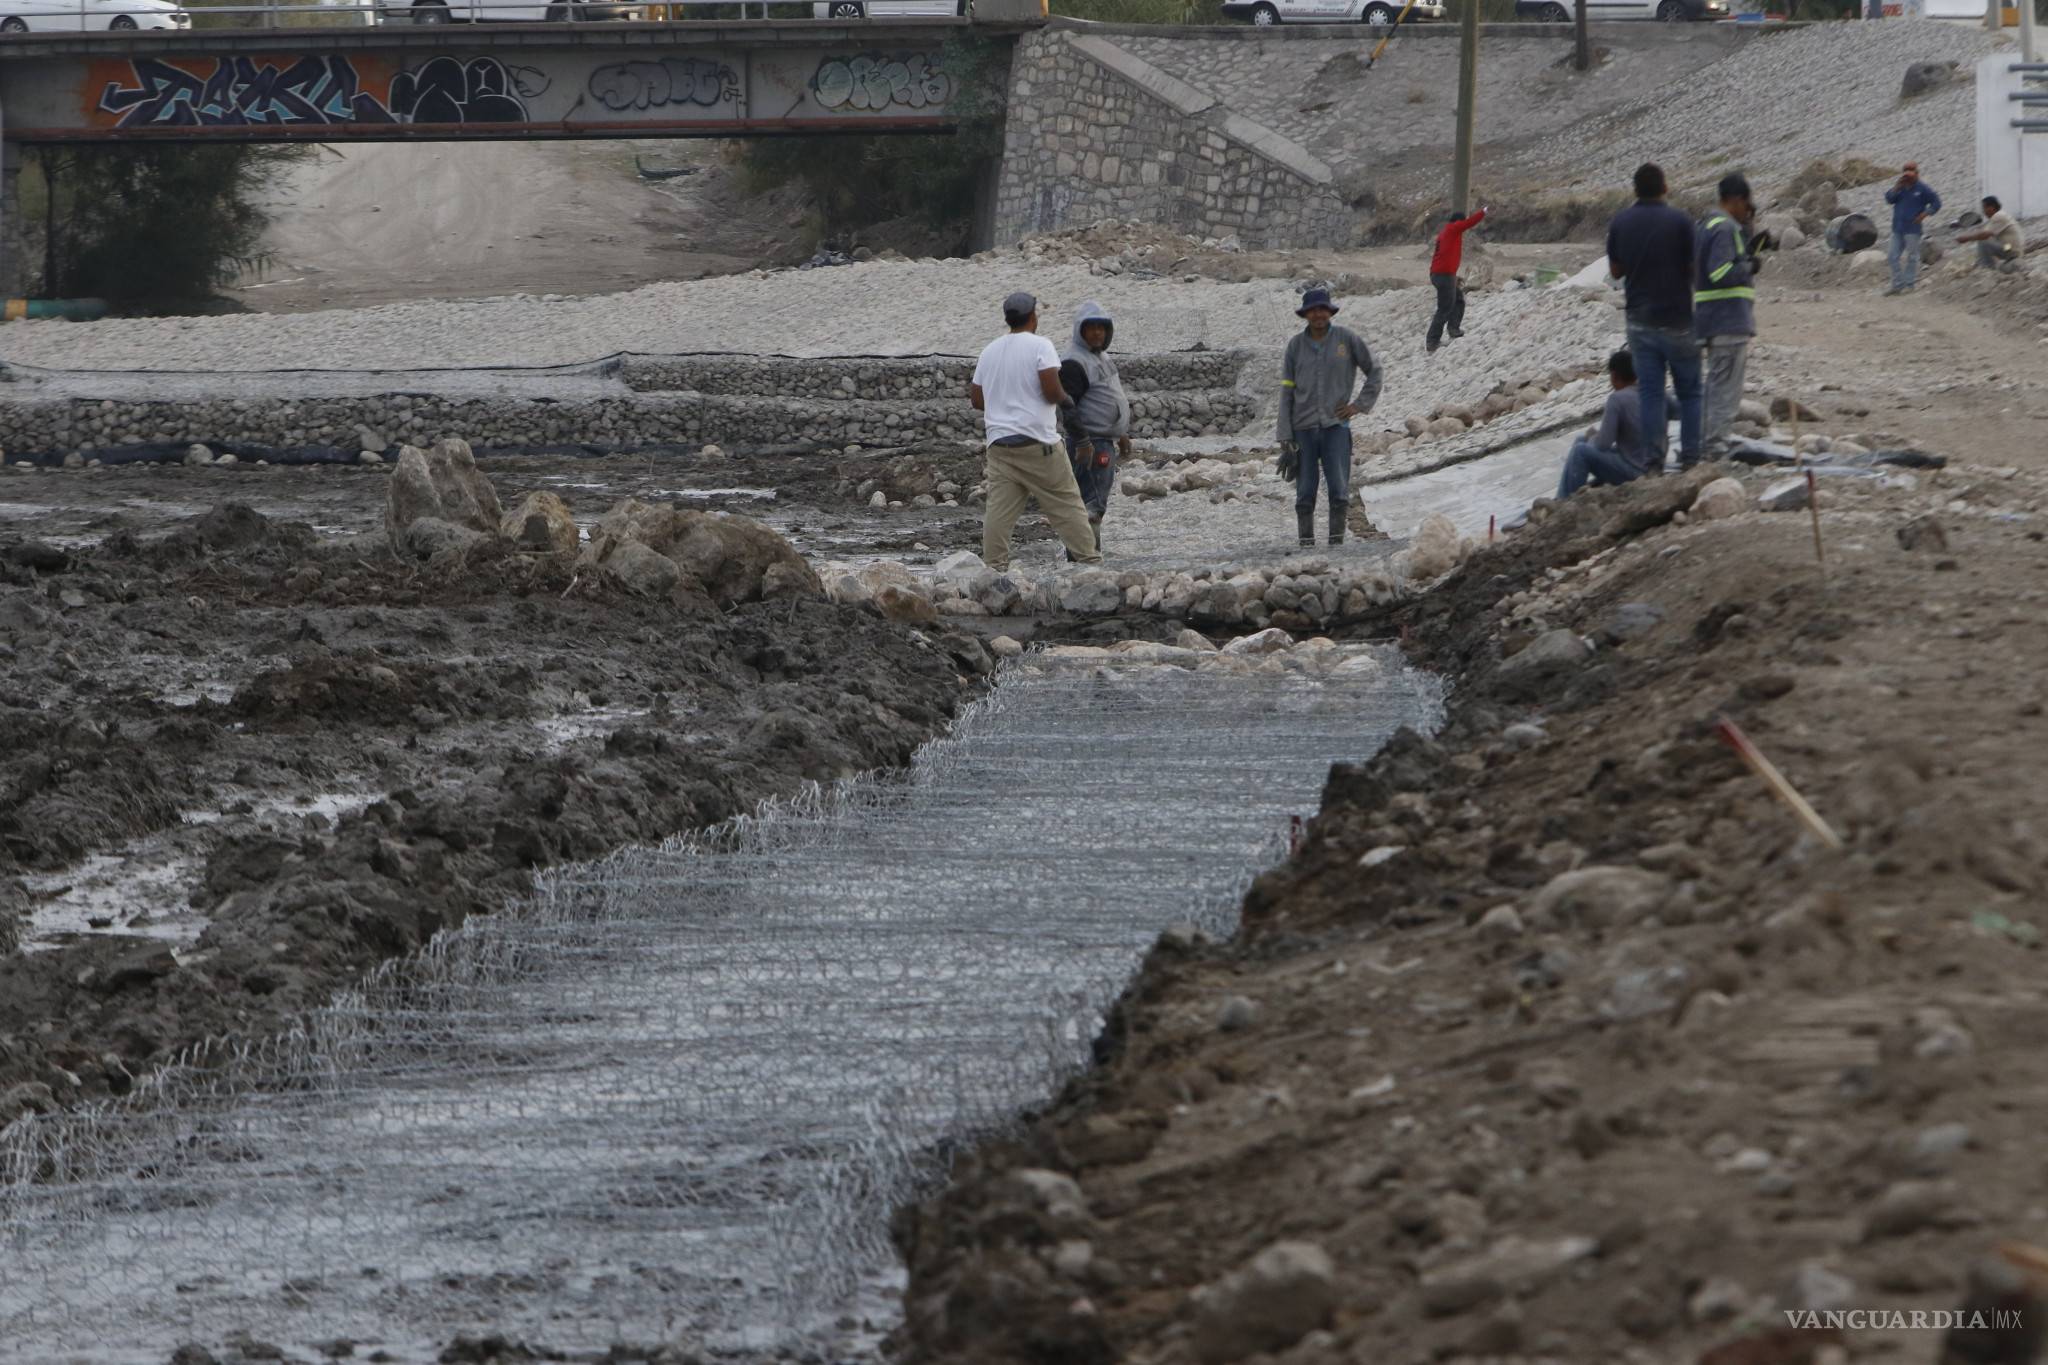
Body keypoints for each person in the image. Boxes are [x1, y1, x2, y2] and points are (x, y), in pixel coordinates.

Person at [969, 291, 1104, 573]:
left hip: (1000, 446)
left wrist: (1006, 400)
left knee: (999, 513)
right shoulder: (1040, 345)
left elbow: (978, 400)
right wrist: (1071, 414)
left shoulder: (989, 351)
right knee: (1068, 505)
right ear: (1033, 316)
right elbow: (1052, 390)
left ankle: (994, 570)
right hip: (1038, 443)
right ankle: (1091, 565)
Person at [1607, 162, 1701, 471]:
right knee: (1689, 392)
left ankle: (1653, 461)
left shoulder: (1621, 223)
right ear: (1665, 188)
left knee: (1651, 393)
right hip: (1678, 318)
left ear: (1635, 191)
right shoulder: (1681, 221)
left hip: (1639, 320)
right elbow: (1693, 268)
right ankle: (1691, 457)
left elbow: (1616, 270)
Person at [1277, 286, 1382, 549]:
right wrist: (1285, 436)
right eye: (1313, 310)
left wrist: (1358, 405)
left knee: (1339, 491)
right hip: (1303, 430)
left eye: (1322, 309)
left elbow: (1375, 371)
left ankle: (1336, 547)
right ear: (1305, 315)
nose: (1318, 314)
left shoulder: (1347, 340)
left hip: (1336, 428)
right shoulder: (1295, 347)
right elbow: (1286, 392)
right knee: (1305, 493)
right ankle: (1307, 546)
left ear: (1330, 311)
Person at [1695, 172, 1764, 458]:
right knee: (1725, 388)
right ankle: (1715, 446)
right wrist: (1749, 267)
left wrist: (1747, 235)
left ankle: (1708, 440)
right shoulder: (1724, 228)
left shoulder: (1707, 225)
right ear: (1736, 200)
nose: (1746, 210)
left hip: (1712, 319)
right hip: (1727, 320)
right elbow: (1720, 271)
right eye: (1745, 204)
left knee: (1715, 385)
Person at [1058, 299, 1131, 553]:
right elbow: (1068, 408)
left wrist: (1120, 432)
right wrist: (1083, 442)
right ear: (1081, 330)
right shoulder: (1074, 363)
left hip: (1102, 440)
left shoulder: (1099, 356)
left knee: (1091, 503)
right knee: (1091, 505)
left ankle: (1085, 557)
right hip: (1091, 444)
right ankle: (1086, 559)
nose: (1098, 332)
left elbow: (1108, 396)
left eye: (1102, 327)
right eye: (1092, 328)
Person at [1556, 350, 1650, 499]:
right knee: (1581, 440)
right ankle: (1570, 491)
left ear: (1614, 376)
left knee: (1581, 450)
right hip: (1648, 464)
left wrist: (1593, 436)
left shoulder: (1616, 399)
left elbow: (1603, 444)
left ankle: (1563, 500)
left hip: (1636, 471)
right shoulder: (1648, 392)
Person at [1426, 205, 1487, 353]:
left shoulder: (1446, 233)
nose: (1463, 229)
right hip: (1444, 275)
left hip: (1441, 274)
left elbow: (1446, 257)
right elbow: (1468, 223)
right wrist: (1483, 212)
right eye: (1461, 224)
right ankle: (1432, 342)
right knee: (1444, 308)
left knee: (1458, 299)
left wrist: (1453, 276)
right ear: (1458, 221)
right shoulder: (1453, 228)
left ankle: (1454, 329)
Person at [1883, 162, 1941, 296]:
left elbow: (1936, 203)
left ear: (1916, 173)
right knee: (1892, 256)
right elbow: (1889, 199)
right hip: (1897, 228)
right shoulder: (1900, 187)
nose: (1908, 175)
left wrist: (1925, 214)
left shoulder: (1923, 189)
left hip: (1913, 229)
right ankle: (1897, 285)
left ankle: (1909, 284)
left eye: (1911, 172)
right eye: (1905, 172)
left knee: (1912, 257)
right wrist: (1896, 187)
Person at [1957, 195, 2026, 274]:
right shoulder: (2000, 216)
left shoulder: (1998, 216)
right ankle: (1980, 265)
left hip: (2010, 249)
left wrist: (1966, 238)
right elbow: (1983, 232)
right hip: (2010, 248)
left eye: (1984, 208)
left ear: (1991, 207)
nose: (1983, 211)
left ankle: (1986, 269)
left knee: (1983, 241)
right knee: (1987, 240)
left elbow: (1984, 235)